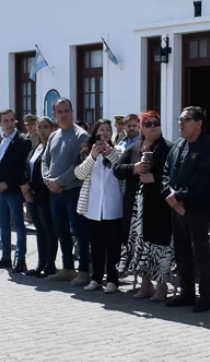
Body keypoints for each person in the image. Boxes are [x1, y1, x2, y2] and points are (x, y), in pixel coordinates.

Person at [162, 106, 210, 313]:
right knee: (182, 251)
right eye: (180, 119)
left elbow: (203, 180)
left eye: (186, 120)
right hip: (176, 208)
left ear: (198, 123)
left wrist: (179, 196)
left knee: (200, 252)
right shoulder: (178, 145)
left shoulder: (209, 147)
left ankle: (206, 296)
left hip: (197, 208)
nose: (181, 123)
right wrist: (170, 195)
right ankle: (187, 293)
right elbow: (166, 172)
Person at [113, 110, 173, 301]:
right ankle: (145, 284)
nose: (153, 127)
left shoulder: (169, 148)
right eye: (148, 124)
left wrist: (154, 179)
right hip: (135, 207)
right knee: (140, 246)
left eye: (156, 123)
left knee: (159, 247)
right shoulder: (134, 148)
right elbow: (117, 170)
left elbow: (175, 175)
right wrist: (135, 168)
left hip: (159, 207)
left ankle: (162, 286)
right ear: (142, 128)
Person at [42, 98, 90, 285]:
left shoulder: (81, 135)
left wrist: (59, 181)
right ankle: (68, 268)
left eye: (66, 110)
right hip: (55, 192)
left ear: (72, 111)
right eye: (59, 111)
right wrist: (48, 180)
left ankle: (84, 270)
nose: (63, 114)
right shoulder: (54, 136)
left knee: (79, 231)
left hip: (74, 190)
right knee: (61, 230)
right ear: (54, 114)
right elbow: (45, 161)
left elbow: (79, 164)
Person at [74, 119, 123, 293]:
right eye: (101, 129)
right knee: (96, 245)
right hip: (93, 208)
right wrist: (93, 157)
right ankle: (96, 278)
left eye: (108, 130)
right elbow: (79, 174)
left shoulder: (118, 151)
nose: (105, 133)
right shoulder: (87, 152)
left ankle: (112, 280)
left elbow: (121, 168)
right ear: (95, 133)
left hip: (113, 207)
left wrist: (109, 153)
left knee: (113, 246)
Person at [0, 109, 32, 273]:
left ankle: (21, 260)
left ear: (15, 121)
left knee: (19, 226)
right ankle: (5, 257)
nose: (8, 124)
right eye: (5, 121)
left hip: (13, 192)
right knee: (3, 226)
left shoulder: (23, 142)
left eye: (11, 120)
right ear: (0, 123)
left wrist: (9, 184)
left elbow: (23, 170)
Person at [21, 116, 58, 277]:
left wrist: (30, 186)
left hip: (45, 194)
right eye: (39, 127)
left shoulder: (52, 149)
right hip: (32, 196)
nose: (42, 130)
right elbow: (27, 169)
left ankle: (50, 265)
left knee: (48, 230)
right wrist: (25, 189)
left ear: (51, 129)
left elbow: (47, 173)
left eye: (45, 127)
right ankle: (40, 264)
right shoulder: (35, 147)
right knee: (39, 230)